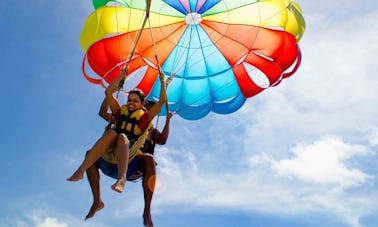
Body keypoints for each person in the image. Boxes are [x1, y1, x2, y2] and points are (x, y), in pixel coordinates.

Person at [67, 68, 167, 194]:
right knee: (112, 133)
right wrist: (121, 77)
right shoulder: (120, 112)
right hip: (110, 149)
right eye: (129, 100)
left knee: (122, 137)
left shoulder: (145, 119)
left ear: (142, 105)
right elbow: (108, 93)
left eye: (135, 101)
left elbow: (161, 102)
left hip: (128, 150)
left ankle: (122, 178)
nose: (131, 103)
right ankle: (81, 170)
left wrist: (163, 81)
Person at [84, 98, 173, 227]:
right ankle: (97, 201)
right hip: (111, 161)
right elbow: (102, 112)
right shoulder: (123, 117)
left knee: (148, 159)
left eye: (150, 108)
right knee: (89, 154)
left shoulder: (150, 130)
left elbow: (163, 140)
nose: (146, 109)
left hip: (131, 168)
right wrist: (109, 94)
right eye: (145, 106)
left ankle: (147, 210)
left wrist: (168, 120)